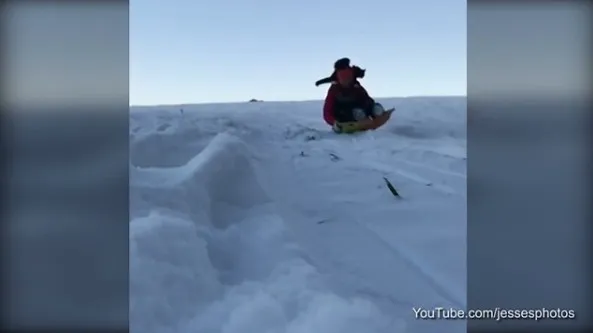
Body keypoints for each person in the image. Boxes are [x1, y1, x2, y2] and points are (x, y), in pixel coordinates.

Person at [322, 66, 385, 132]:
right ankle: (360, 118)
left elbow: (366, 99)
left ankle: (375, 112)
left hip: (359, 109)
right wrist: (333, 122)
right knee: (353, 112)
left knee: (370, 107)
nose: (346, 81)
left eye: (348, 78)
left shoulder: (356, 86)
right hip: (343, 115)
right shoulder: (334, 90)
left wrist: (372, 107)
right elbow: (327, 110)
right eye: (344, 79)